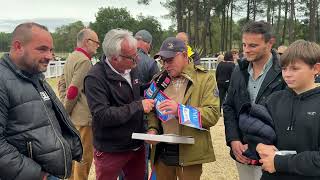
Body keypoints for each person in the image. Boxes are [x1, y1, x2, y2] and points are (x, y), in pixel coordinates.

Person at [0, 22, 82, 180]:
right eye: (42, 49)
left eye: (51, 50)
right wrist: (38, 175)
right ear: (18, 47)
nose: (50, 56)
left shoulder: (35, 76)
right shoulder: (3, 80)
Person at [84, 29, 155, 180]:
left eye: (136, 54)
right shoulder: (95, 78)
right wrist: (138, 106)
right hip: (111, 148)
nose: (137, 60)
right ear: (115, 58)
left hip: (136, 144)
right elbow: (103, 115)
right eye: (132, 57)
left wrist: (153, 86)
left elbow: (134, 92)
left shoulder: (131, 68)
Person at [146, 37, 220, 180]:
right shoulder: (158, 79)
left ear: (185, 55)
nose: (166, 65)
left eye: (170, 60)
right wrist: (152, 129)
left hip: (190, 153)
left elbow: (212, 114)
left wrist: (179, 110)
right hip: (162, 152)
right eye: (163, 61)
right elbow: (152, 111)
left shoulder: (205, 79)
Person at [223, 20, 286, 180]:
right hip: (242, 152)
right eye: (244, 45)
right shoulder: (239, 70)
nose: (246, 50)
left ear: (270, 43)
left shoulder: (284, 72)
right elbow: (229, 106)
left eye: (252, 45)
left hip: (271, 155)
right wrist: (233, 139)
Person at [256, 40, 320, 180]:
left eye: (294, 69)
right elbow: (256, 133)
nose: (287, 74)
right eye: (284, 69)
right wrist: (258, 146)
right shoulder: (273, 100)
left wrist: (279, 163)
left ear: (316, 69)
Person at [58, 28, 99, 180]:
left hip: (72, 118)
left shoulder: (71, 57)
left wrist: (64, 107)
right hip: (83, 119)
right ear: (87, 41)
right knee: (84, 158)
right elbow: (74, 90)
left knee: (73, 157)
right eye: (96, 42)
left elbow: (62, 84)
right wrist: (65, 112)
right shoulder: (84, 60)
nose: (98, 46)